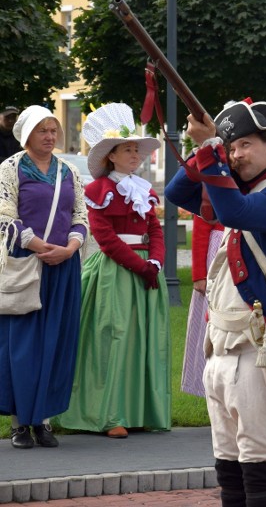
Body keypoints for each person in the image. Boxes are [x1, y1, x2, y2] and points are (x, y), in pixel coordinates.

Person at [165, 99, 266, 507]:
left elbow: (234, 210)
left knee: (259, 473)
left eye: (245, 144)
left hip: (257, 353)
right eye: (233, 147)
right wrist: (206, 148)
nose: (237, 154)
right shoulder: (238, 189)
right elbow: (177, 191)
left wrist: (212, 146)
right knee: (229, 472)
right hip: (221, 349)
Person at [58, 103, 170, 438]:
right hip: (115, 272)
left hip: (146, 271)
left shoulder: (144, 191)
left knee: (145, 341)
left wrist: (156, 262)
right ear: (111, 156)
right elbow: (105, 238)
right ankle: (111, 414)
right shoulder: (97, 191)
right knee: (114, 338)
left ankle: (141, 410)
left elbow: (156, 231)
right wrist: (140, 265)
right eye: (128, 149)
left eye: (137, 148)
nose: (135, 154)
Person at [0, 105, 88, 449]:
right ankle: (20, 423)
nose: (50, 136)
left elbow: (80, 213)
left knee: (56, 341)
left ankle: (44, 422)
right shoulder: (9, 169)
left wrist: (69, 248)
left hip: (63, 267)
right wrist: (39, 246)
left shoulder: (68, 171)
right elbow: (5, 216)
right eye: (43, 130)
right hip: (26, 264)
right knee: (23, 346)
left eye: (54, 130)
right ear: (26, 135)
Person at [182, 214, 225, 397]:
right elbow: (200, 229)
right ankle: (210, 388)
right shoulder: (211, 186)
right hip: (218, 254)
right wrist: (200, 275)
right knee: (208, 325)